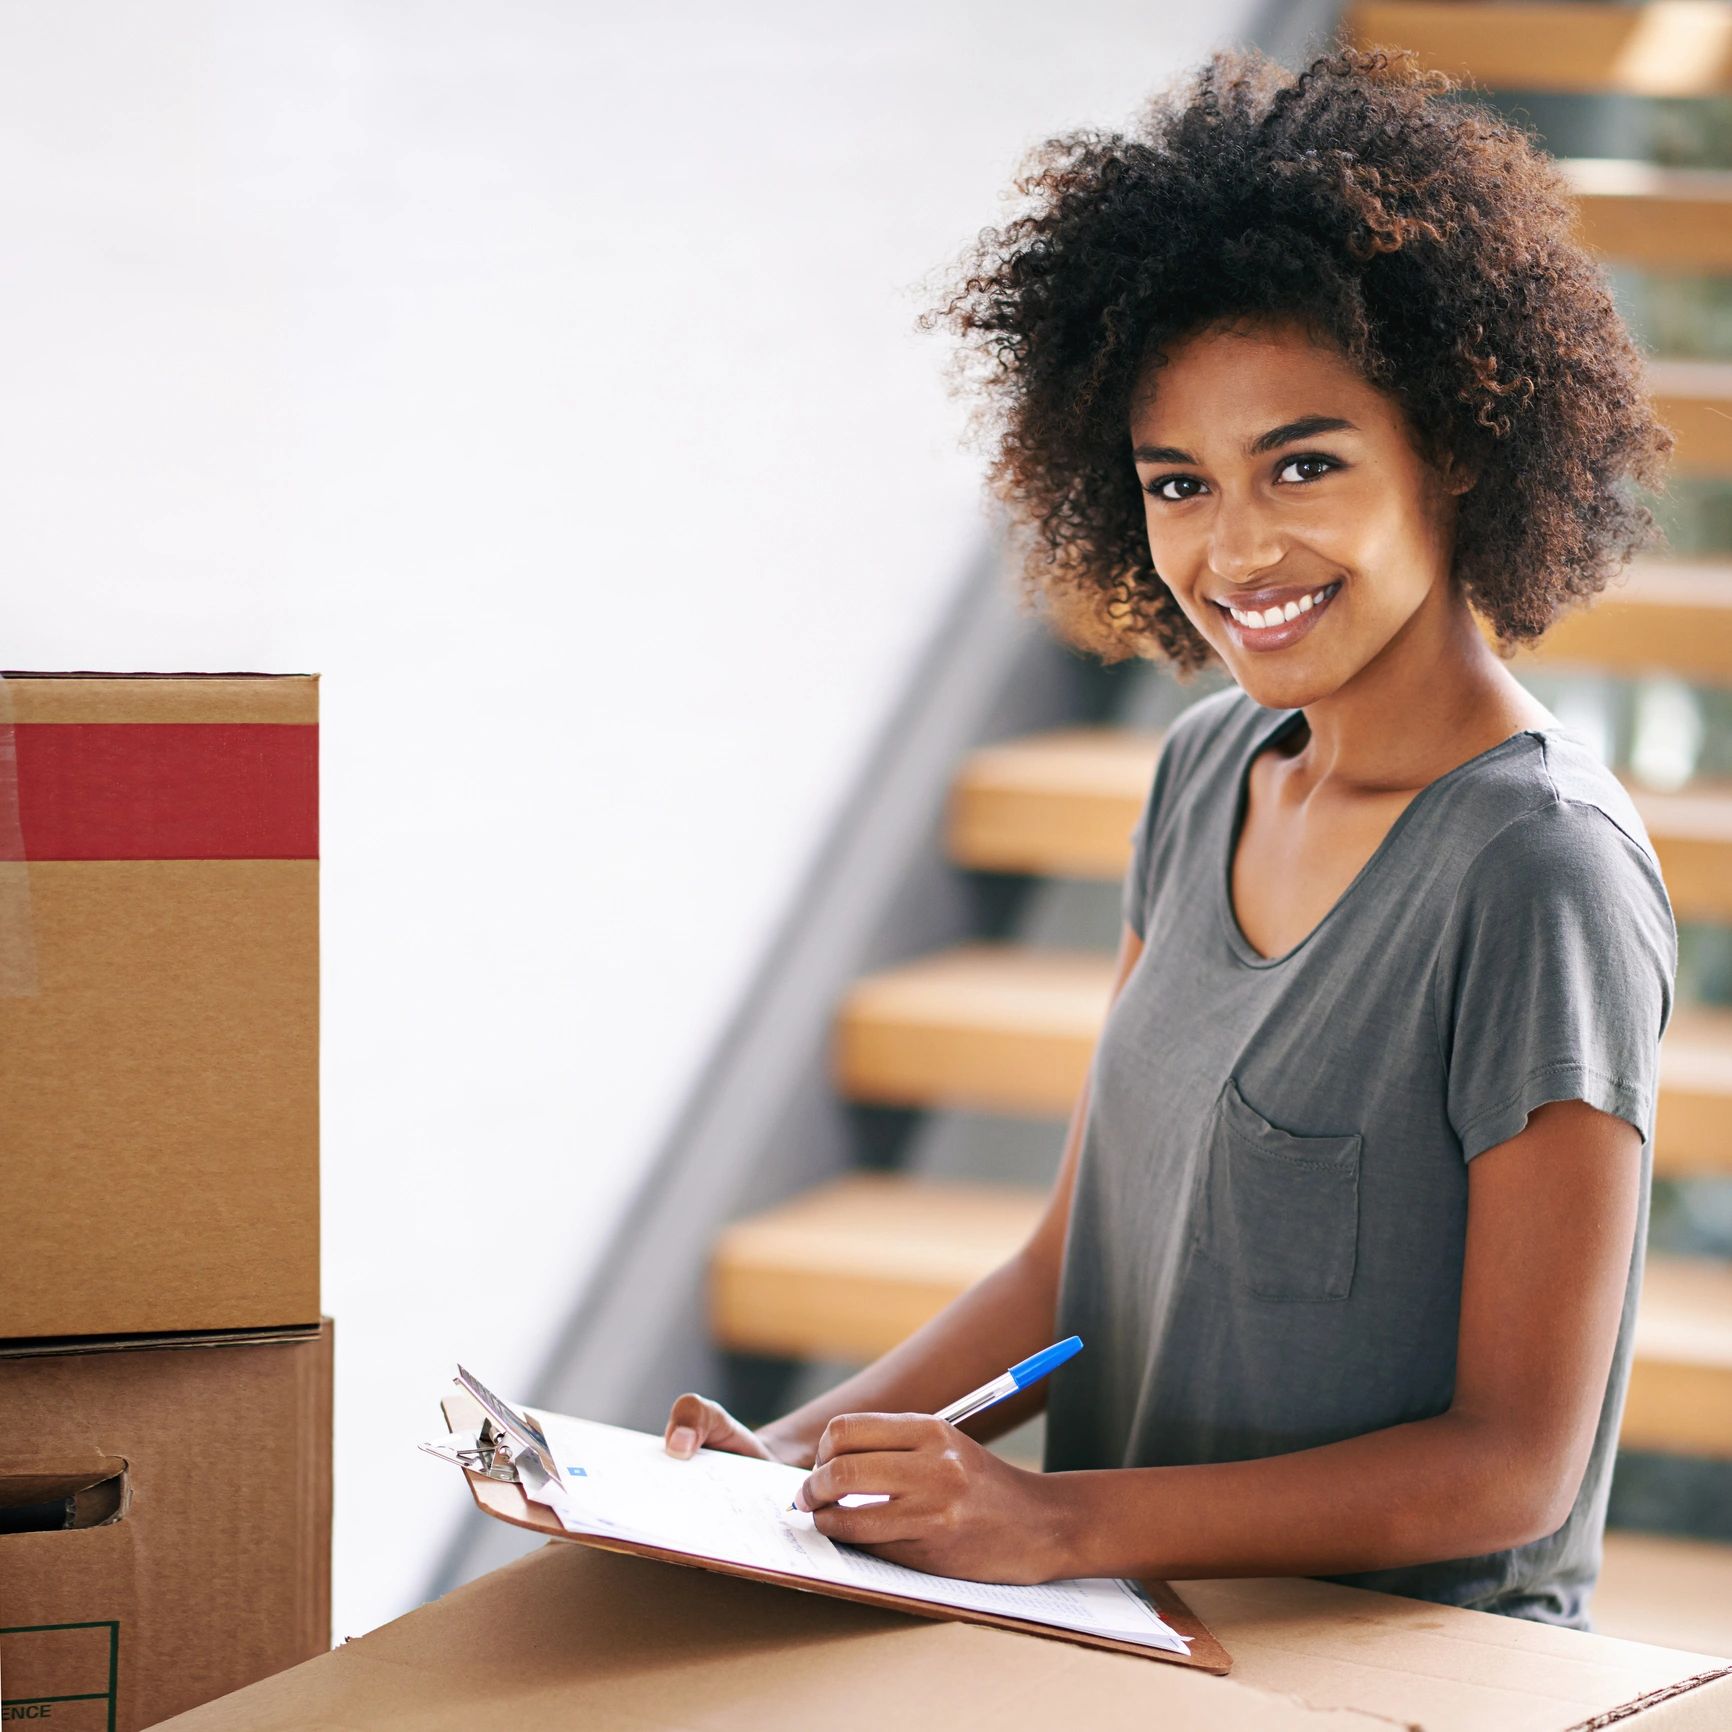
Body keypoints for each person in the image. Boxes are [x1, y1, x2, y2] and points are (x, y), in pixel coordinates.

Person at [661, 40, 1679, 1629]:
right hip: (1141, 1635)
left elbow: (1511, 1468)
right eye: (1178, 483)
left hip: (1402, 1671)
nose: (1237, 546)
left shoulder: (1540, 873)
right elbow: (1075, 1268)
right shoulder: (1206, 770)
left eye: (1304, 464)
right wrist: (781, 1471)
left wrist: (1055, 1520)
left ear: (1459, 443)